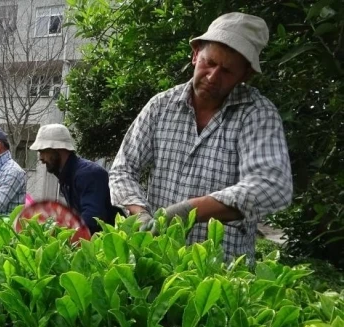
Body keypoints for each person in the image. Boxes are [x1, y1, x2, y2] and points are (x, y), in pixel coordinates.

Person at [109, 12, 293, 262]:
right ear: (196, 54)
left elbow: (272, 185)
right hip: (159, 262)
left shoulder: (257, 113)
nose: (213, 77)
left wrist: (189, 210)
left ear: (245, 75)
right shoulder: (160, 107)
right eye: (210, 62)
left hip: (222, 274)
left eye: (227, 71)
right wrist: (139, 212)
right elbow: (123, 170)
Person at [30, 124, 119, 234]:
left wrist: (59, 233)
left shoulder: (88, 174)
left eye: (43, 151)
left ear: (58, 149)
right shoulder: (68, 176)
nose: (41, 158)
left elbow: (92, 220)